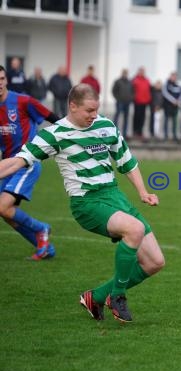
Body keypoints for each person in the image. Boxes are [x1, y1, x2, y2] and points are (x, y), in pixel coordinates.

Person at [0, 83, 165, 322]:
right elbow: (16, 162)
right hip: (87, 202)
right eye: (89, 110)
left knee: (155, 262)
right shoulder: (54, 134)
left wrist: (143, 192)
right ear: (73, 106)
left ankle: (95, 297)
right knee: (135, 229)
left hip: (114, 196)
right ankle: (117, 297)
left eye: (96, 110)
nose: (93, 115)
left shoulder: (105, 126)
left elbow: (127, 161)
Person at [0, 64, 59, 260]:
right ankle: (44, 247)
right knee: (6, 213)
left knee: (3, 207)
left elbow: (53, 118)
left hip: (27, 162)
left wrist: (69, 139)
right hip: (6, 166)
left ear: (6, 80)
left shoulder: (23, 101)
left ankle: (41, 228)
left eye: (1, 79)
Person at [112, 69, 134, 138]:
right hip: (120, 102)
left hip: (127, 102)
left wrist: (131, 98)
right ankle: (114, 132)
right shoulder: (118, 81)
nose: (125, 74)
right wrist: (118, 98)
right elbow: (113, 91)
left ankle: (125, 133)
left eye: (126, 73)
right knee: (117, 116)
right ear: (122, 73)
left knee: (126, 118)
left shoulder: (130, 82)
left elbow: (133, 91)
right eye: (124, 73)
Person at [131, 67, 152, 141]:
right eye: (141, 71)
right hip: (137, 101)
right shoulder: (135, 80)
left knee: (142, 118)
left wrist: (149, 99)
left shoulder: (147, 80)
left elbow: (149, 89)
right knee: (137, 117)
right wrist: (133, 98)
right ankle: (135, 131)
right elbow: (132, 89)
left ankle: (140, 132)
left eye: (143, 71)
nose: (142, 73)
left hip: (145, 102)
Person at [162, 72, 181, 141]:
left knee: (175, 121)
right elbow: (165, 93)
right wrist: (173, 100)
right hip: (167, 106)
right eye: (173, 76)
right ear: (170, 76)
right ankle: (165, 135)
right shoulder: (166, 84)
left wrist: (178, 101)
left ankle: (174, 135)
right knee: (166, 121)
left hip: (175, 107)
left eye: (175, 77)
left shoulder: (178, 86)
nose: (174, 78)